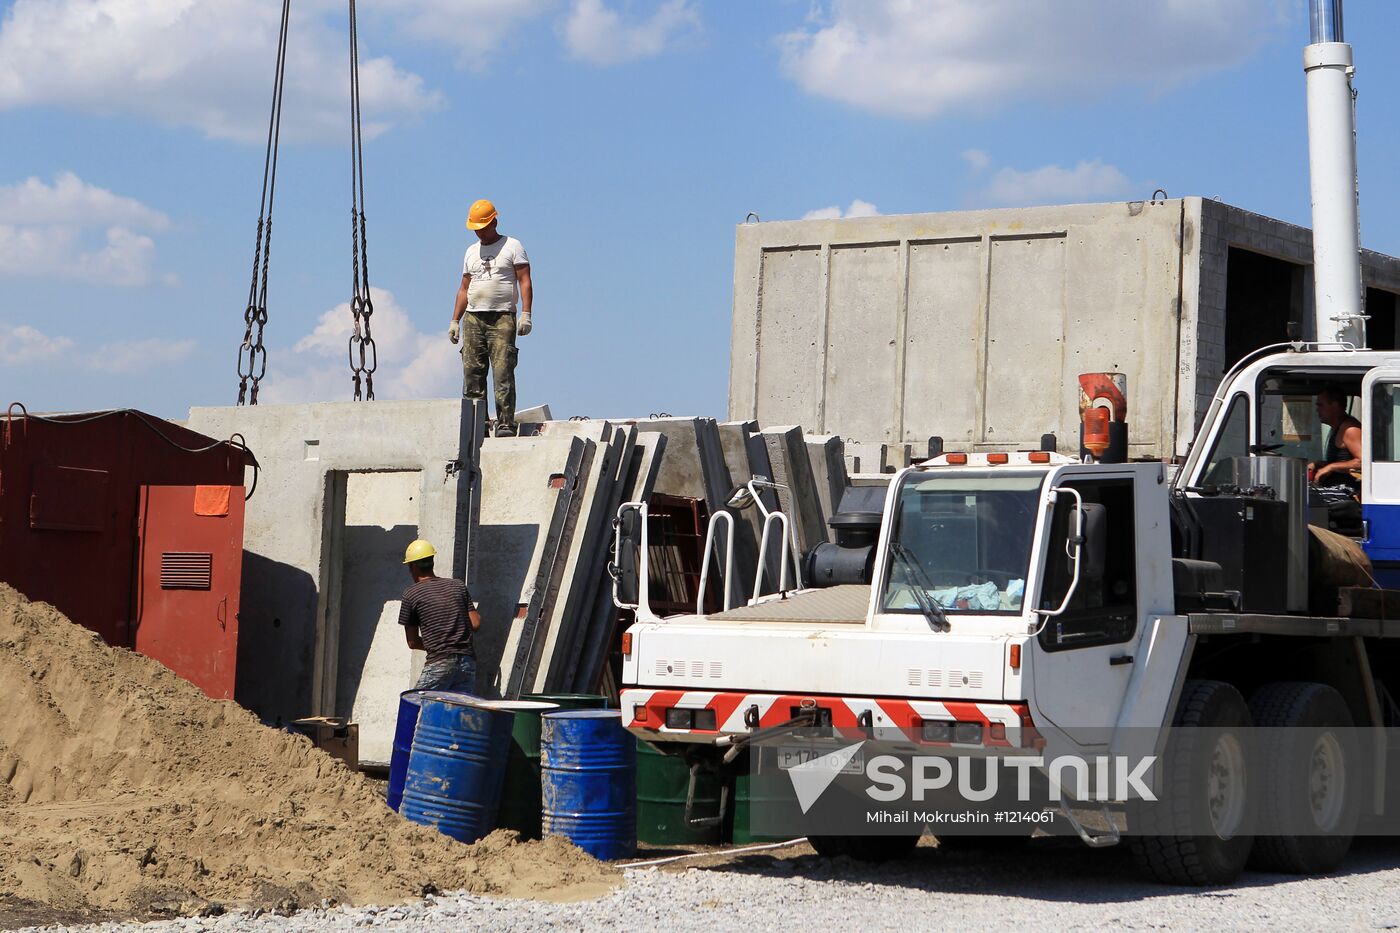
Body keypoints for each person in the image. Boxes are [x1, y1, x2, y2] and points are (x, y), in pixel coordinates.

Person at [448, 199, 532, 437]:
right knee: (472, 373)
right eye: (476, 228)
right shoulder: (471, 252)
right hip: (474, 318)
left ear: (494, 222)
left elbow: (525, 280)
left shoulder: (512, 246)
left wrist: (526, 313)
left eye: (483, 227)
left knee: (503, 370)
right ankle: (477, 426)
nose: (479, 232)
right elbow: (464, 288)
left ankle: (505, 423)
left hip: (502, 316)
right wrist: (455, 320)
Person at [398, 539, 480, 693]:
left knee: (417, 705)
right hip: (467, 663)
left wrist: (438, 645)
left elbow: (412, 642)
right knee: (456, 712)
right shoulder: (458, 586)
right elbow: (475, 624)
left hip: (439, 662)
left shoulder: (411, 594)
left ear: (412, 566)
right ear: (432, 562)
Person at [1312, 387, 1362, 488]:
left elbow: (1362, 462)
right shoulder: (1337, 428)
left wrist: (1331, 467)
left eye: (1320, 405)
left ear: (1335, 406)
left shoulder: (1350, 429)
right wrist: (1320, 465)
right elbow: (1344, 461)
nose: (1317, 410)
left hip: (1347, 496)